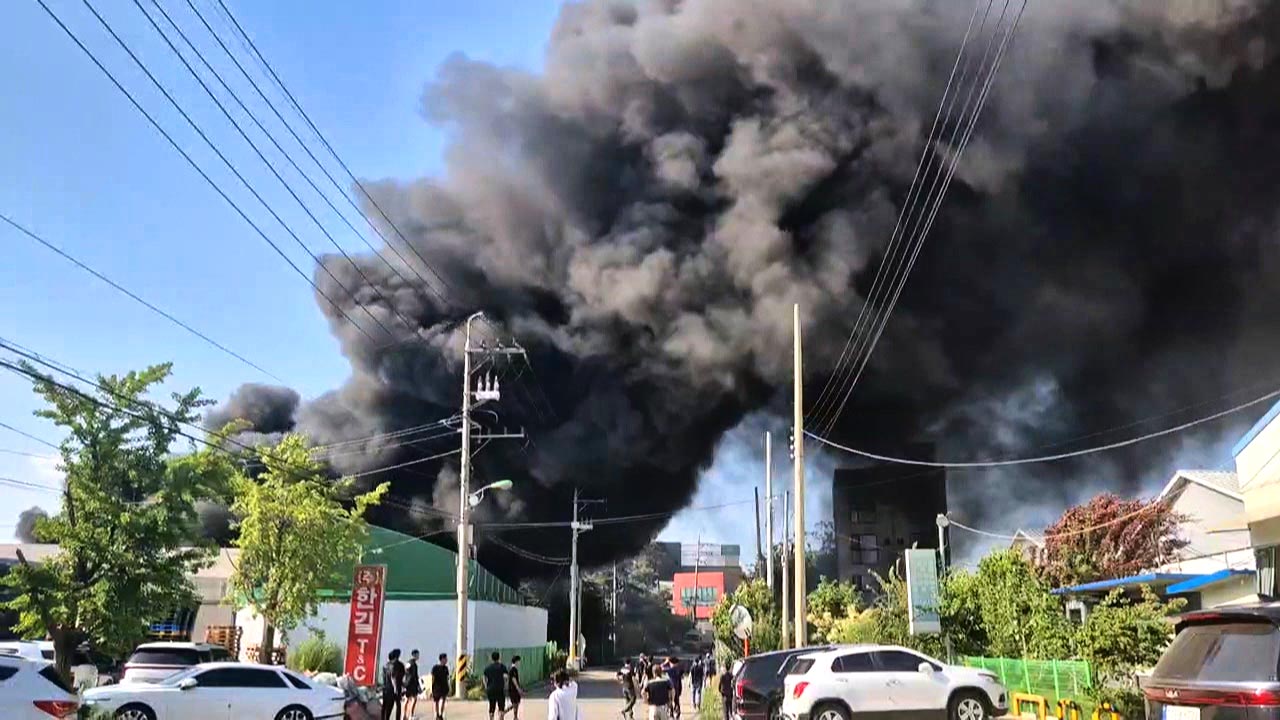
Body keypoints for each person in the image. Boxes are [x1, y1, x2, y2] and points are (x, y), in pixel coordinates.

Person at [482, 650, 508, 720]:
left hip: (491, 689)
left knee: (492, 706)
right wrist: (505, 686)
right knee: (501, 707)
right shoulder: (502, 667)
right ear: (499, 658)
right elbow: (505, 677)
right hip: (500, 689)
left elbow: (484, 677)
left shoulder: (488, 668)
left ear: (491, 658)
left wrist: (486, 686)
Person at [382, 649, 406, 720]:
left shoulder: (385, 665)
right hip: (395, 688)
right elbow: (394, 677)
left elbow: (384, 677)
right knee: (397, 705)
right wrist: (397, 688)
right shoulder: (399, 665)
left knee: (386, 706)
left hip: (386, 688)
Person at [431, 653, 451, 720]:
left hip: (444, 687)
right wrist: (432, 687)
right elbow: (433, 678)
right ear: (442, 659)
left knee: (443, 701)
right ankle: (436, 714)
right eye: (445, 659)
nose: (446, 660)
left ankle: (441, 714)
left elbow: (447, 678)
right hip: (437, 687)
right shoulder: (435, 668)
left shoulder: (446, 668)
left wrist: (449, 686)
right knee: (436, 701)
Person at [403, 650, 422, 720]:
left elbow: (405, 672)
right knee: (414, 699)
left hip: (407, 683)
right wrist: (418, 685)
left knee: (407, 699)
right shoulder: (413, 664)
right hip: (412, 684)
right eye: (417, 655)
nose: (418, 656)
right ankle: (411, 715)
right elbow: (414, 675)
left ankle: (404, 715)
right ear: (414, 655)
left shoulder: (408, 663)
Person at [508, 655, 524, 720]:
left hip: (513, 688)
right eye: (519, 661)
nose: (519, 663)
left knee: (516, 702)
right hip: (513, 689)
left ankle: (515, 716)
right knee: (515, 703)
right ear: (516, 661)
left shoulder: (513, 669)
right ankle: (514, 716)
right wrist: (518, 688)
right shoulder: (513, 669)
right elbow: (513, 679)